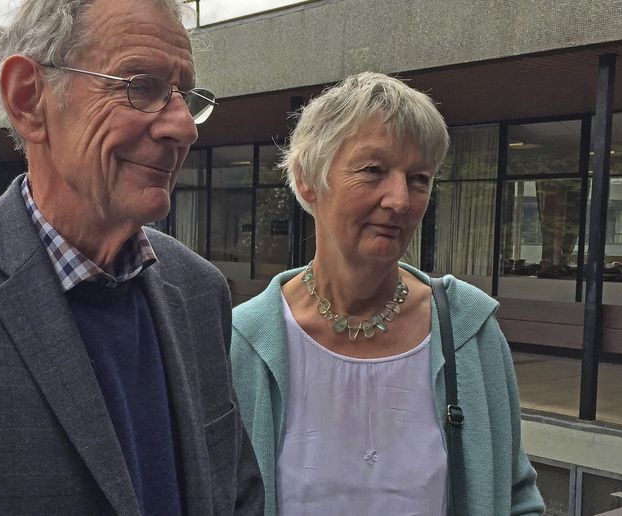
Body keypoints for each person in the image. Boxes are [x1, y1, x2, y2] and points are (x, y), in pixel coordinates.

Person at [0, 0, 263, 514]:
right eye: (140, 86)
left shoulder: (199, 291)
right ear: (30, 99)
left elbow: (235, 494)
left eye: (184, 96)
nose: (184, 127)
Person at [230, 72, 545, 515]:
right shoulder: (244, 343)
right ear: (307, 180)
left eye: (419, 178)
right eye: (373, 171)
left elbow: (516, 497)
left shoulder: (469, 331)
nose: (400, 200)